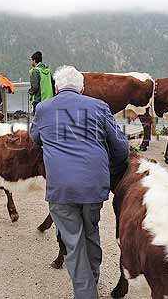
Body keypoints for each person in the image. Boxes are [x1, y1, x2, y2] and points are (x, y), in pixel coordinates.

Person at [30, 66, 129, 299]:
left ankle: (86, 293)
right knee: (90, 234)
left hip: (61, 189)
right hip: (94, 186)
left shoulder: (43, 108)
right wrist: (110, 169)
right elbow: (121, 147)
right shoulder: (99, 106)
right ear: (82, 89)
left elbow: (35, 138)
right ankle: (90, 283)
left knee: (73, 242)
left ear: (56, 88)